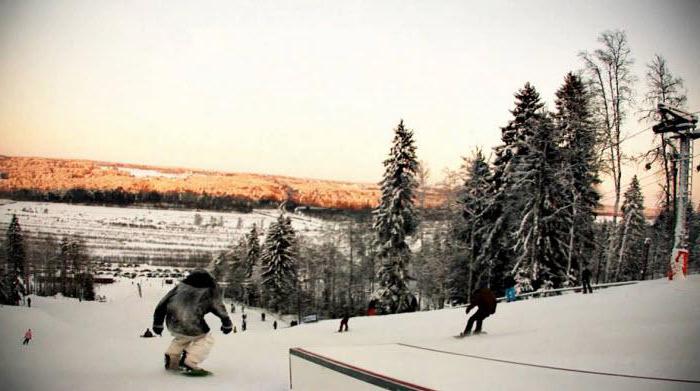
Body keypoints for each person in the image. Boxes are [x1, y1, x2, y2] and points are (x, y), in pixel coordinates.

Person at [152, 269, 232, 373]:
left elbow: (162, 304)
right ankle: (190, 361)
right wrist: (227, 324)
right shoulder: (209, 290)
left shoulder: (179, 287)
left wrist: (157, 324)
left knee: (182, 338)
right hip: (192, 324)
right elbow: (218, 307)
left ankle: (172, 358)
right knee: (206, 339)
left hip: (173, 322)